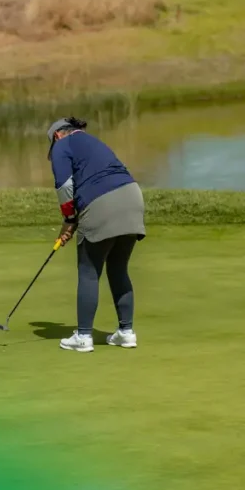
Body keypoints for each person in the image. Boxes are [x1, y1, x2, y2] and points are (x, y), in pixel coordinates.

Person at [47, 117, 146, 353]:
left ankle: (83, 337)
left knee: (88, 271)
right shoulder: (92, 142)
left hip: (102, 203)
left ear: (57, 135)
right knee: (118, 268)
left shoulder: (62, 145)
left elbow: (64, 186)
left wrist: (69, 219)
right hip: (132, 198)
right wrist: (73, 218)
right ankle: (126, 333)